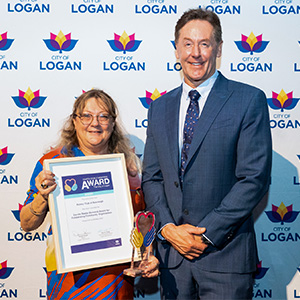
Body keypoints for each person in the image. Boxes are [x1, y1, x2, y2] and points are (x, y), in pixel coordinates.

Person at [142, 8, 272, 299]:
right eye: (187, 43)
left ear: (219, 49)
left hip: (225, 257)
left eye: (204, 43)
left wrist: (206, 233)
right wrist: (168, 231)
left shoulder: (248, 100)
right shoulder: (159, 108)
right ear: (176, 50)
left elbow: (254, 178)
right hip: (172, 262)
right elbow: (152, 177)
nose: (195, 53)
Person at [20, 89, 159, 299]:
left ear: (112, 124)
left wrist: (148, 255)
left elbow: (143, 224)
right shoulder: (52, 165)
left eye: (103, 116)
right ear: (74, 121)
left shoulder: (130, 167)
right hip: (68, 281)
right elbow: (26, 223)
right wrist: (41, 197)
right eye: (86, 116)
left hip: (116, 278)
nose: (95, 123)